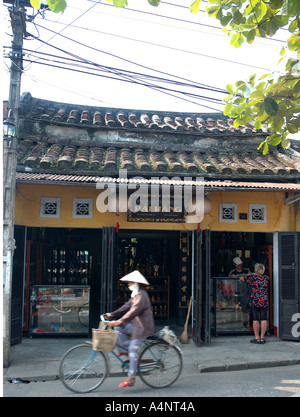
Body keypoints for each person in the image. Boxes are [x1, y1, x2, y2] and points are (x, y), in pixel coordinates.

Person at [105, 270, 154, 388]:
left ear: (136, 283)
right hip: (135, 325)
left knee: (133, 348)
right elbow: (126, 307)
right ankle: (126, 350)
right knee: (118, 330)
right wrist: (112, 314)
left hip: (143, 328)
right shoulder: (136, 294)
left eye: (130, 283)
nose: (128, 285)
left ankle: (131, 377)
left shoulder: (142, 296)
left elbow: (133, 311)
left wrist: (120, 320)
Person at [240, 263, 269, 344]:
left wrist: (250, 274)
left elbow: (241, 278)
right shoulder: (266, 278)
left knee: (255, 319)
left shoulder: (251, 277)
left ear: (255, 269)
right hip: (264, 300)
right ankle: (262, 338)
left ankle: (256, 337)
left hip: (254, 301)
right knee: (263, 319)